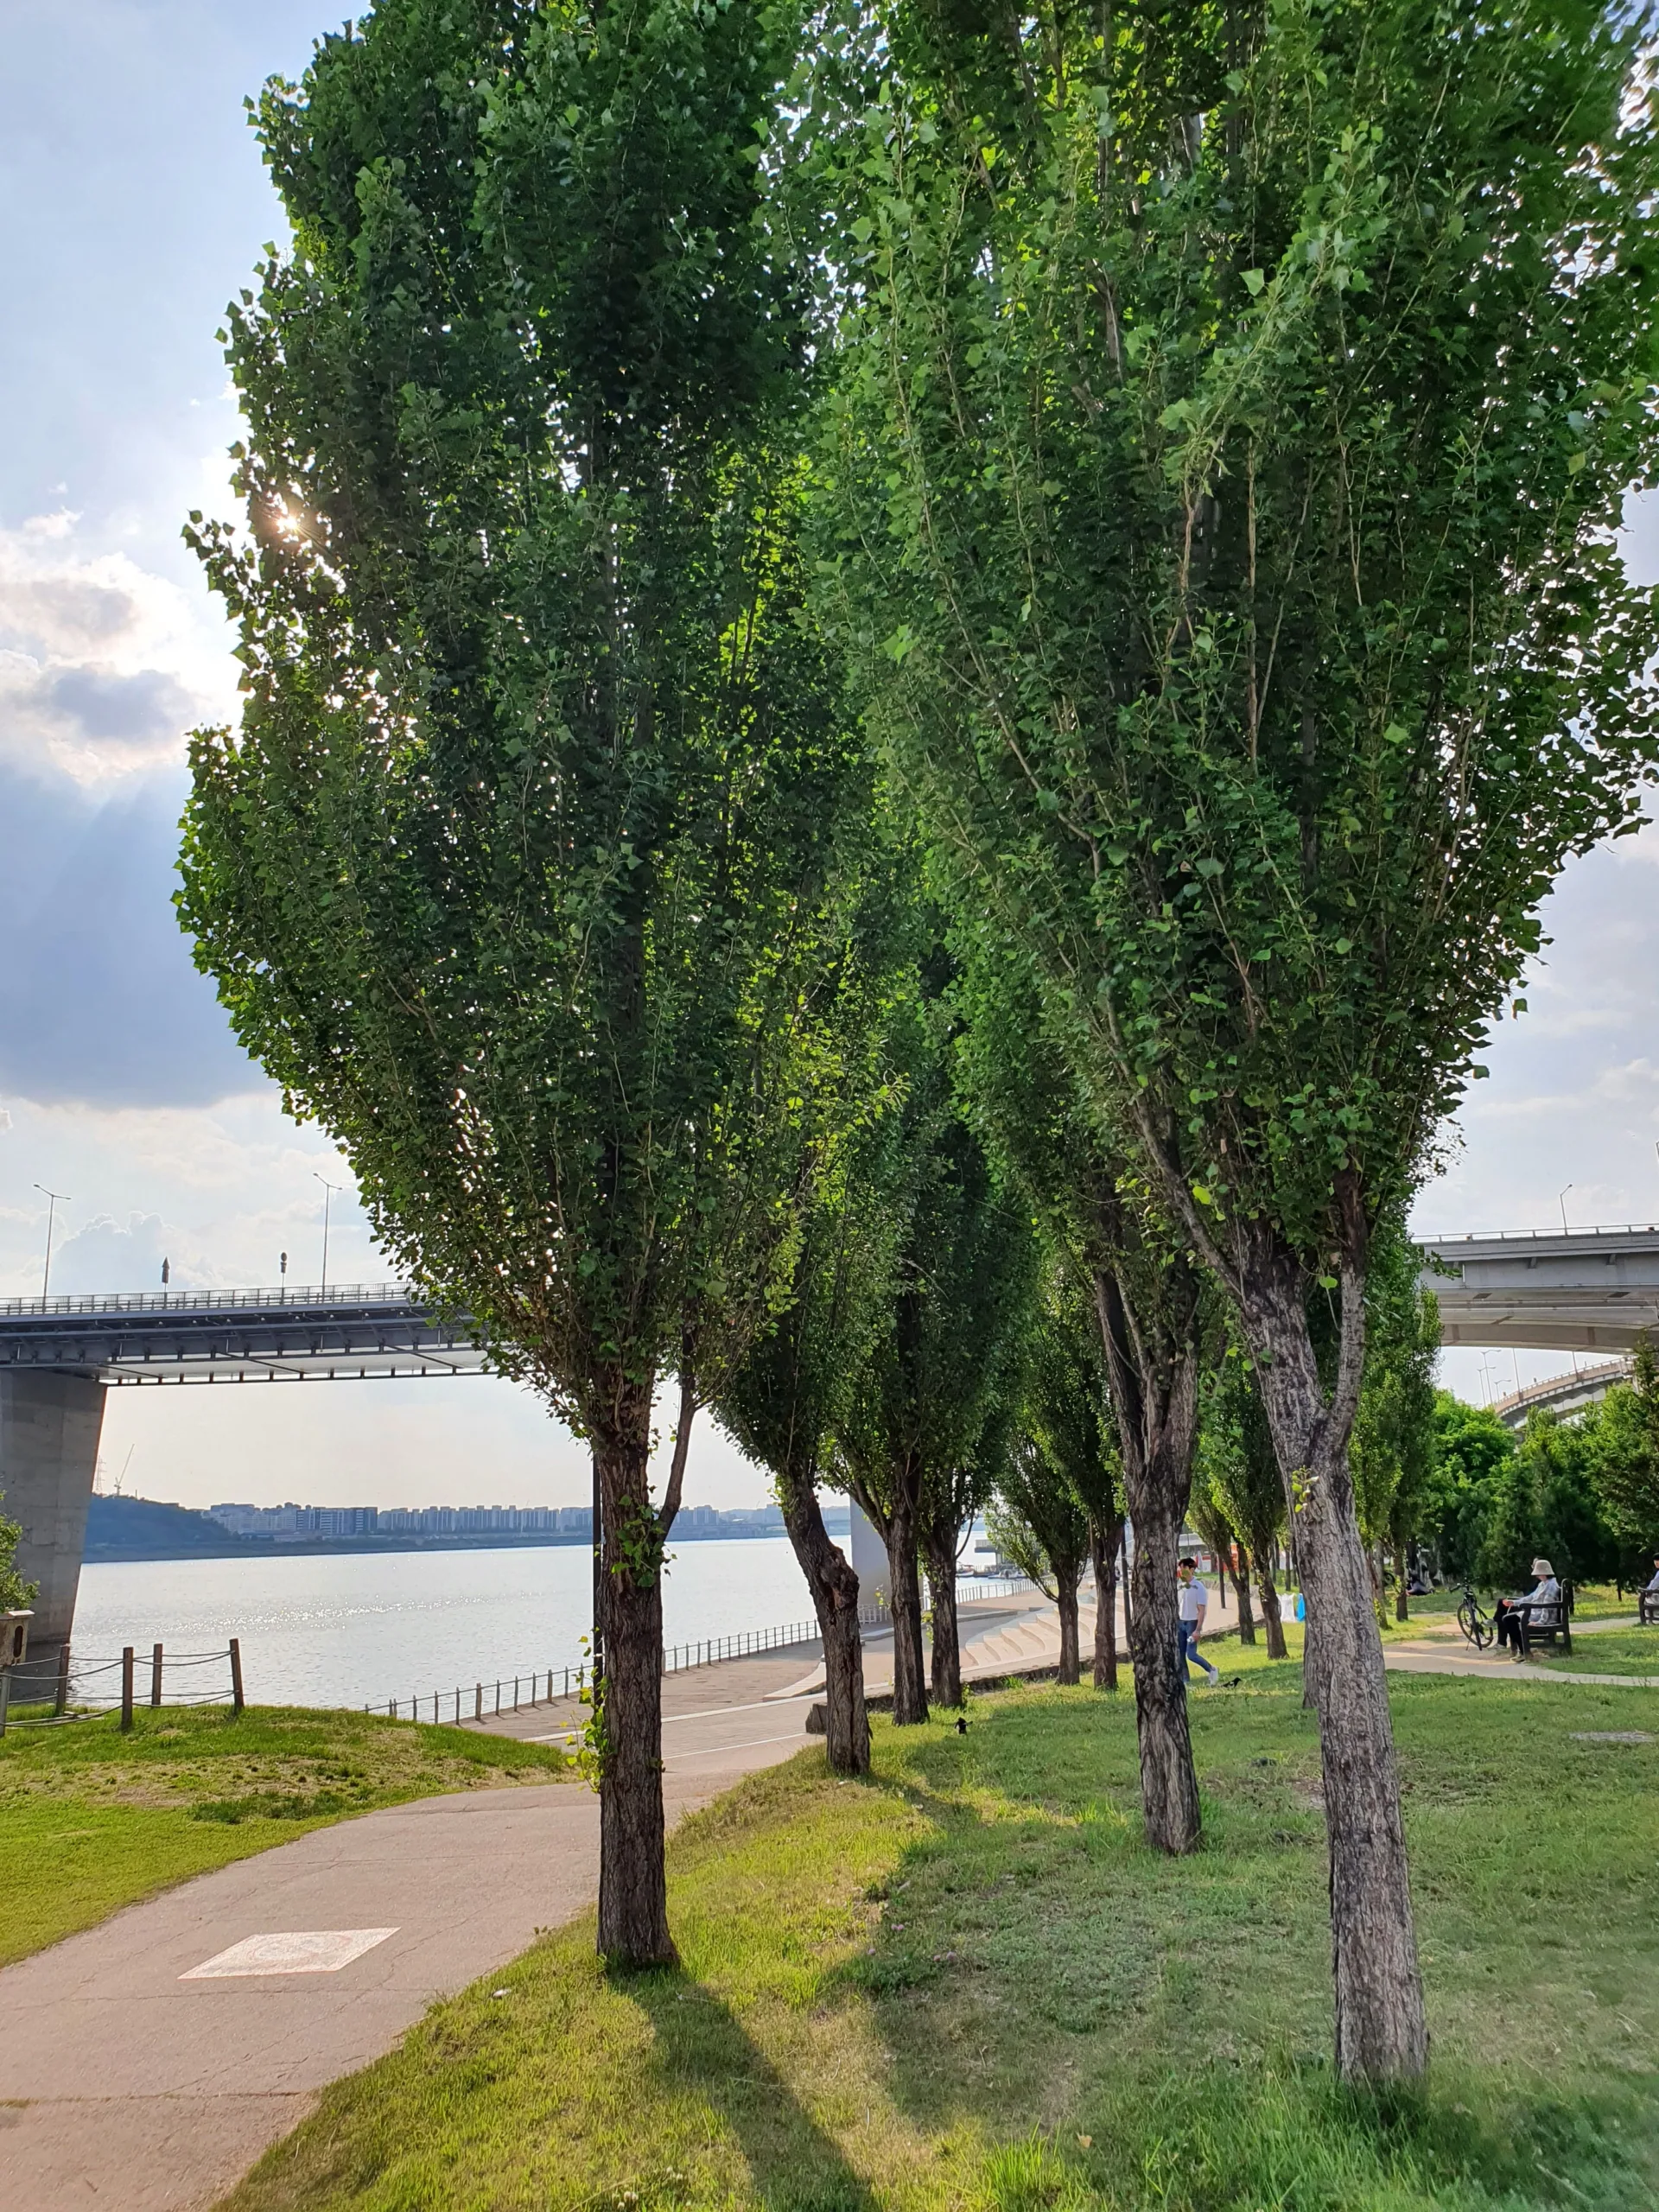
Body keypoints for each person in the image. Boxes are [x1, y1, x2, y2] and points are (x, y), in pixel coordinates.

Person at [1494, 1557, 1560, 1656]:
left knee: (1509, 1619)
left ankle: (1523, 1651)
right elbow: (1530, 1597)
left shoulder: (1551, 1586)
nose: (1536, 1575)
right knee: (1507, 1619)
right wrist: (1514, 1602)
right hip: (1534, 1613)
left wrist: (1540, 1622)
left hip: (1539, 1617)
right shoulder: (1543, 1584)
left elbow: (1547, 1606)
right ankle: (1522, 1650)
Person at [1177, 1556, 1220, 1686]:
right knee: (1180, 1655)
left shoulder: (1198, 1587)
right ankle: (1185, 1681)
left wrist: (1198, 1630)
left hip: (1192, 1623)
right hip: (1181, 1623)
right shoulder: (1181, 1586)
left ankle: (1212, 1669)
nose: (1181, 1571)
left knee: (1191, 1654)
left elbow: (1202, 1610)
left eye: (1184, 1568)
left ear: (1192, 1569)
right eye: (1180, 1568)